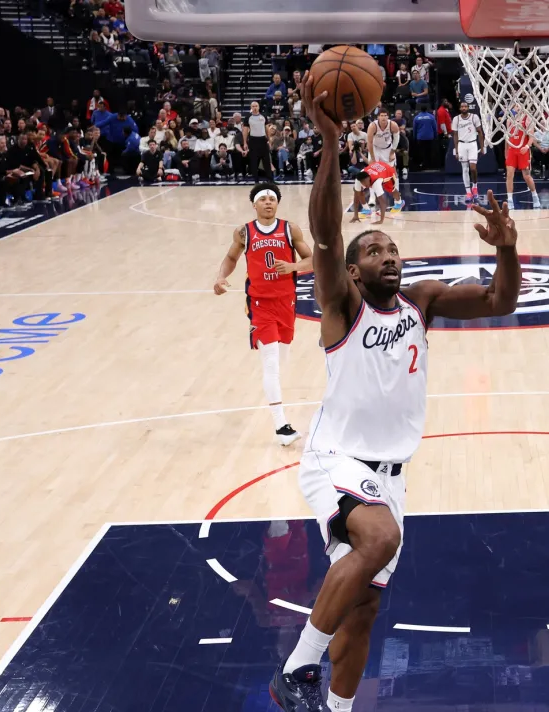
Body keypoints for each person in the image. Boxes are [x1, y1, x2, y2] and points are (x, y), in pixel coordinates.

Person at [269, 72, 522, 712]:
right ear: (353, 270)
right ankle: (294, 670)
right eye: (374, 250)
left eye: (392, 248)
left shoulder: (422, 301)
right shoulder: (340, 303)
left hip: (392, 474)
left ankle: (337, 707)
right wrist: (329, 145)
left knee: (364, 610)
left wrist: (510, 250)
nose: (389, 256)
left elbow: (500, 298)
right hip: (337, 460)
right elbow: (325, 233)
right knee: (380, 541)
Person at [213, 183, 313, 445]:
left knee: (281, 361)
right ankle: (281, 425)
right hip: (259, 303)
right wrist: (221, 276)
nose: (268, 202)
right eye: (263, 199)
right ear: (254, 204)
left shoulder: (290, 229)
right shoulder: (244, 233)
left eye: (272, 199)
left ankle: (275, 403)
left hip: (287, 301)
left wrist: (291, 266)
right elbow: (231, 258)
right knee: (270, 363)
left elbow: (312, 260)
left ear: (277, 203)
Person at [505, 114, 541, 210]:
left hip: (523, 149)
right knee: (509, 174)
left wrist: (527, 147)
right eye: (515, 105)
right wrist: (506, 151)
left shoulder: (527, 118)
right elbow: (507, 137)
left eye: (518, 104)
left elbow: (531, 136)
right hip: (512, 149)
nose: (516, 106)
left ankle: (535, 196)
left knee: (526, 176)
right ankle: (509, 199)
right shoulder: (509, 119)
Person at [452, 101, 484, 202]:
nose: (464, 108)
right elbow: (455, 135)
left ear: (468, 107)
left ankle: (475, 187)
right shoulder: (456, 119)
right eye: (462, 106)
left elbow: (480, 132)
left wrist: (482, 147)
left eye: (466, 106)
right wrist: (456, 150)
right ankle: (468, 192)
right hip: (462, 144)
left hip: (472, 144)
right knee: (465, 169)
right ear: (460, 108)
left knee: (473, 168)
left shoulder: (474, 117)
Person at [244, 101, 274, 180]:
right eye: (253, 106)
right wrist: (244, 142)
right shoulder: (248, 117)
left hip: (263, 140)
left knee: (266, 160)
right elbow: (245, 130)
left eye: (256, 106)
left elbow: (267, 128)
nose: (255, 107)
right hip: (253, 140)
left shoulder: (263, 116)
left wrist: (269, 140)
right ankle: (256, 180)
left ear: (259, 107)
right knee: (254, 161)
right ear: (251, 107)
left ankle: (270, 179)